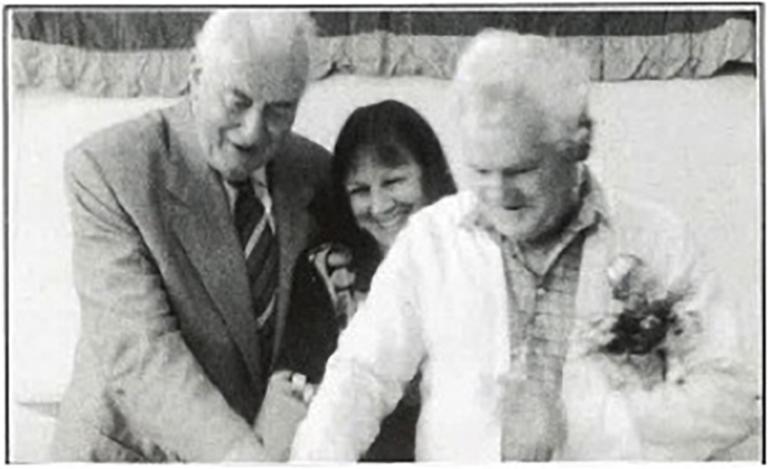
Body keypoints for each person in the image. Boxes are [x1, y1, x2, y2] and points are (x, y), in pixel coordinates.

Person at [290, 30, 759, 462]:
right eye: (481, 171)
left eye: (520, 171)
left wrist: (580, 420)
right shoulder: (431, 241)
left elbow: (733, 397)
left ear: (579, 143)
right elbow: (362, 375)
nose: (499, 195)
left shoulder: (656, 237)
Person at [51, 11, 331, 462]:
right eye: (238, 101)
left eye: (280, 110)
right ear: (197, 76)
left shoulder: (316, 172)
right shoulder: (108, 167)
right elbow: (142, 354)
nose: (254, 131)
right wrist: (244, 458)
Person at [257, 99, 456, 461]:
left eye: (394, 181)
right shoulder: (327, 270)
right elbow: (299, 390)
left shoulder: (471, 256)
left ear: (430, 175)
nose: (379, 206)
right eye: (360, 190)